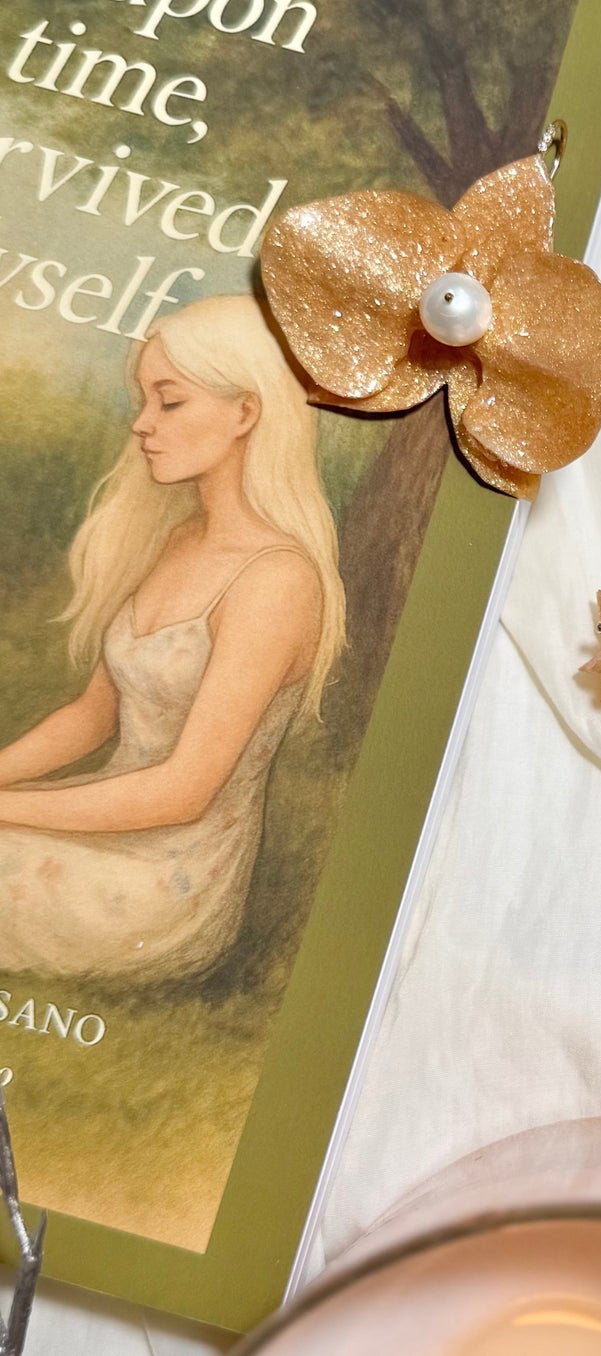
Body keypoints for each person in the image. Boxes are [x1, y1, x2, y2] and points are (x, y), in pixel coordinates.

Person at [0, 294, 345, 982]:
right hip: (104, 832)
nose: (142, 426)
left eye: (169, 402)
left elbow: (186, 791)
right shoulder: (178, 540)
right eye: (144, 402)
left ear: (246, 411)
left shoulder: (277, 582)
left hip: (166, 883)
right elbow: (92, 716)